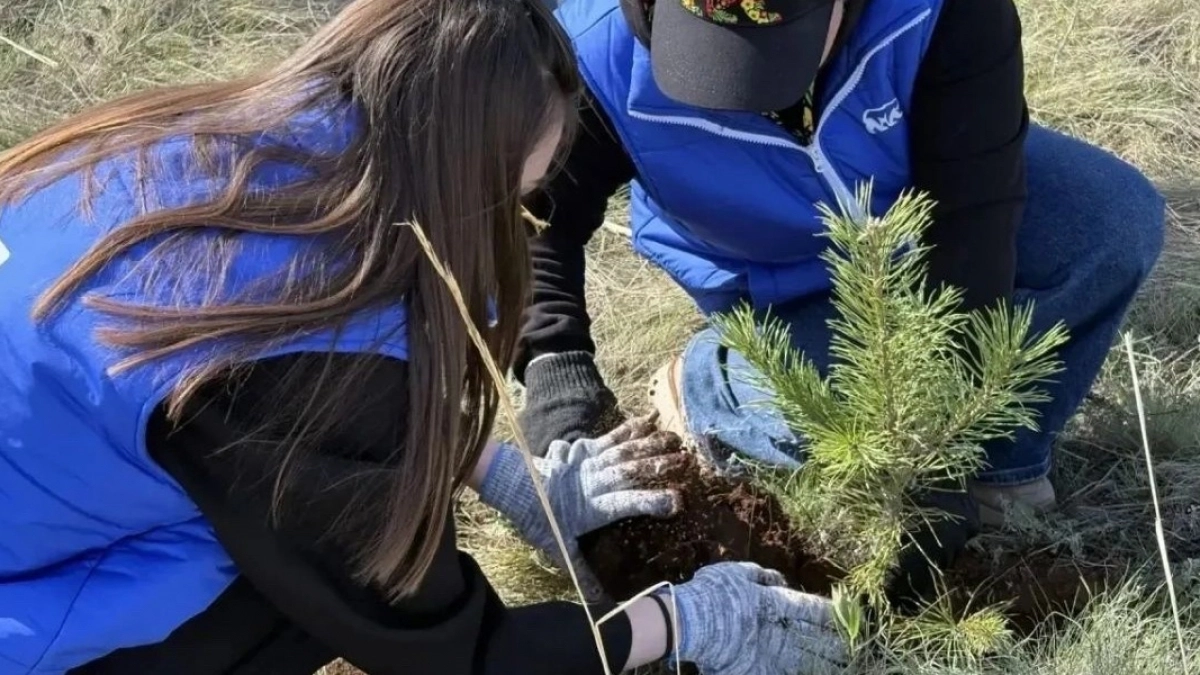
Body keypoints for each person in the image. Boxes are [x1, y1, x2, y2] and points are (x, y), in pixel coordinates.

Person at [0, 1, 846, 674]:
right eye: (516, 197)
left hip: (50, 473)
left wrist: (507, 476)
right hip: (23, 605)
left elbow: (337, 387)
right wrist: (681, 620)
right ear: (458, 179)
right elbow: (452, 650)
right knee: (308, 594)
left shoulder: (255, 139)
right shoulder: (268, 367)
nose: (522, 221)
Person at [517, 0, 1166, 537]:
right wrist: (555, 372)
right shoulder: (591, 52)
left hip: (918, 216)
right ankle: (715, 390)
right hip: (769, 281)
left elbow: (977, 226)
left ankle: (1000, 469)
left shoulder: (936, 13)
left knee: (1109, 222)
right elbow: (537, 225)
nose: (746, 88)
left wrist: (940, 459)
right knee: (848, 390)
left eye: (778, 44)